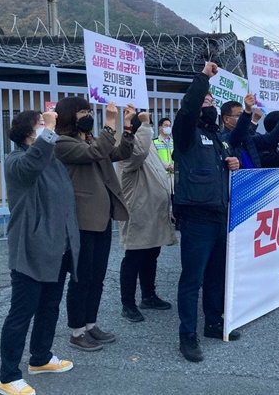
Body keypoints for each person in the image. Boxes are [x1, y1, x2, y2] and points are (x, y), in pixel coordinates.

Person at [0, 111, 79, 395]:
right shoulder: (16, 160)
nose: (49, 131)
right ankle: (7, 376)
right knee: (21, 313)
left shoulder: (50, 159)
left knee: (49, 306)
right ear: (29, 134)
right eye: (42, 127)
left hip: (57, 248)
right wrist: (49, 130)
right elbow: (32, 162)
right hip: (31, 249)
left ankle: (40, 358)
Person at [172, 62, 242, 363]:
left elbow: (224, 163)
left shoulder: (217, 137)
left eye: (212, 100)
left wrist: (232, 162)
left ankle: (213, 322)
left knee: (217, 275)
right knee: (193, 278)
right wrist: (202, 79)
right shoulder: (185, 132)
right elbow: (188, 108)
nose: (209, 104)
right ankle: (187, 335)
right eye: (205, 101)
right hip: (196, 217)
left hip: (220, 214)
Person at [55, 98, 134, 352]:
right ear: (68, 116)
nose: (88, 115)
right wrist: (110, 123)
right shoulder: (62, 143)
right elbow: (96, 153)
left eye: (89, 111)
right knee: (82, 277)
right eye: (82, 111)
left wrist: (129, 128)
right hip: (81, 221)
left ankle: (90, 324)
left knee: (97, 277)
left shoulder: (90, 140)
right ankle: (77, 331)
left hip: (101, 219)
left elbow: (119, 153)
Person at [117, 108, 178, 323]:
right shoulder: (127, 150)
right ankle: (128, 304)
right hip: (138, 212)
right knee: (133, 258)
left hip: (154, 210)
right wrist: (145, 125)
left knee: (151, 254)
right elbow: (139, 153)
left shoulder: (147, 145)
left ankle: (148, 295)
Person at [153, 117, 174, 193]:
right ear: (160, 128)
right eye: (166, 125)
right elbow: (154, 158)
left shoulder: (175, 143)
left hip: (174, 178)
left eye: (169, 125)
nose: (168, 127)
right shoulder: (154, 142)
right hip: (161, 177)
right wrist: (167, 166)